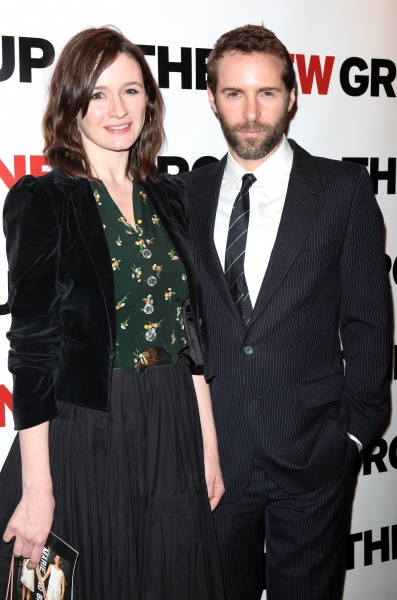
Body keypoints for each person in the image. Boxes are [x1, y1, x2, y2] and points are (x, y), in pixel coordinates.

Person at [0, 26, 224, 599]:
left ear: (149, 99)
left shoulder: (169, 197)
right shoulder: (43, 200)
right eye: (97, 94)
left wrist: (208, 449)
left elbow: (189, 334)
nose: (116, 109)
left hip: (171, 417)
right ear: (72, 105)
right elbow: (32, 352)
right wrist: (38, 487)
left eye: (130, 90)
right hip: (87, 425)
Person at [179, 24, 391, 600]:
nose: (251, 112)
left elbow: (370, 325)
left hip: (312, 459)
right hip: (215, 466)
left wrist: (349, 438)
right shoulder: (183, 196)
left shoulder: (342, 190)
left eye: (266, 93)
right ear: (212, 98)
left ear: (292, 97)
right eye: (234, 94)